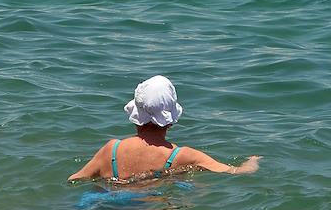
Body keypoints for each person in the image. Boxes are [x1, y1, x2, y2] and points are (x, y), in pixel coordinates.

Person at [68, 76, 260, 182]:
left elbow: (75, 179)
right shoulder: (183, 156)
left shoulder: (112, 148)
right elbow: (236, 172)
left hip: (111, 207)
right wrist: (253, 161)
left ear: (135, 116)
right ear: (170, 121)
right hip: (152, 208)